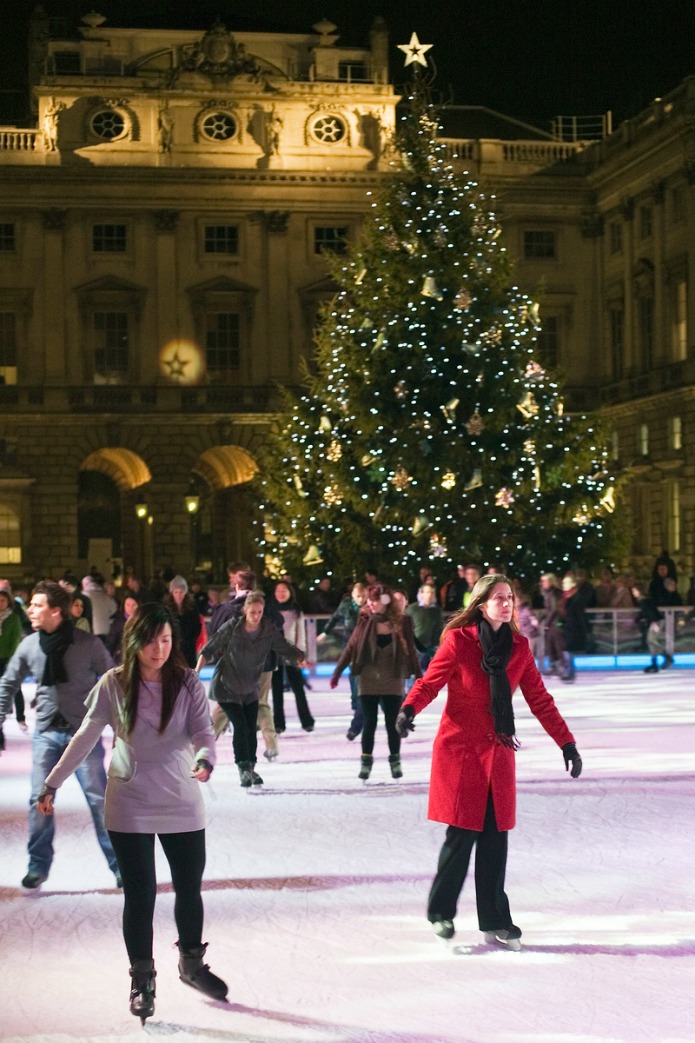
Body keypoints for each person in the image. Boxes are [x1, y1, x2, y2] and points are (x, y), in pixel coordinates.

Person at [37, 602, 227, 1022]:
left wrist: (205, 759)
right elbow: (85, 736)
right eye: (151, 641)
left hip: (180, 798)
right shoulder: (114, 683)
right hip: (131, 802)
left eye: (166, 640)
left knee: (189, 887)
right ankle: (142, 979)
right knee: (140, 895)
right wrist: (52, 782)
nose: (159, 649)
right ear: (134, 641)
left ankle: (192, 963)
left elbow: (203, 730)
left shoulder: (188, 682)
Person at [395, 574, 582, 946]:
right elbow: (430, 682)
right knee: (462, 835)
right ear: (481, 604)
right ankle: (441, 913)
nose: (506, 603)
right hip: (461, 750)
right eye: (498, 597)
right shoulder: (458, 641)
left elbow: (540, 699)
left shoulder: (519, 647)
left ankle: (495, 919)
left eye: (509, 596)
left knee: (496, 839)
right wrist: (408, 709)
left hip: (498, 753)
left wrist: (567, 743)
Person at [0, 581, 119, 890]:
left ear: (55, 611)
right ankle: (37, 866)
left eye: (36, 605)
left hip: (83, 736)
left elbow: (113, 682)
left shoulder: (87, 644)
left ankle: (121, 865)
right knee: (38, 800)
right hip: (47, 734)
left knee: (99, 801)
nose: (30, 610)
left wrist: (121, 727)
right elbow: (8, 683)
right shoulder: (30, 645)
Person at [196, 592, 305, 787]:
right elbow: (209, 649)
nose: (256, 616)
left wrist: (298, 656)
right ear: (245, 610)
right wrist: (196, 672)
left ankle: (251, 767)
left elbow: (283, 646)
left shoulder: (267, 629)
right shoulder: (232, 627)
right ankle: (243, 767)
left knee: (250, 728)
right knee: (240, 725)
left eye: (259, 612)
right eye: (252, 612)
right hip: (227, 686)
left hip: (250, 686)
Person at [330, 583, 420, 781]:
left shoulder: (402, 621)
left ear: (386, 600)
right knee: (369, 722)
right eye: (369, 600)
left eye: (375, 600)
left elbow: (411, 650)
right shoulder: (365, 620)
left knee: (392, 724)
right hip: (368, 678)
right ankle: (366, 762)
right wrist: (337, 672)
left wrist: (419, 677)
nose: (370, 603)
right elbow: (351, 647)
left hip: (393, 678)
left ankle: (395, 761)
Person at [317, 582, 367, 740]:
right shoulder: (345, 606)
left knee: (362, 680)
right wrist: (325, 632)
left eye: (363, 596)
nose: (361, 599)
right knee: (354, 676)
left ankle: (359, 709)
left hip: (368, 648)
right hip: (350, 646)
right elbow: (334, 618)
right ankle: (356, 703)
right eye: (358, 596)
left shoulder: (371, 607)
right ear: (352, 595)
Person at [269, 580, 315, 733]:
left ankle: (307, 721)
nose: (281, 594)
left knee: (298, 689)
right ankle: (278, 723)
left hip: (291, 655)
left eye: (284, 591)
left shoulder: (296, 612)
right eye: (278, 591)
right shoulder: (269, 610)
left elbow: (300, 635)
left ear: (290, 593)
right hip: (273, 655)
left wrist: (300, 655)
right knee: (276, 691)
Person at [0, 586, 26, 746]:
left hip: (8, 658)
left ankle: (20, 717)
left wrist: (11, 659)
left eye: (3, 600)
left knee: (14, 688)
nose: (0, 603)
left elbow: (15, 639)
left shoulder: (13, 618)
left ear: (8, 602)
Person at [163, 576, 201, 668]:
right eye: (176, 592)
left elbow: (197, 626)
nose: (178, 595)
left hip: (189, 647)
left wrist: (190, 641)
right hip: (172, 647)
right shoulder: (166, 608)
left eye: (181, 592)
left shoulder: (192, 607)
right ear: (172, 593)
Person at [406, 583, 444, 673]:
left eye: (431, 592)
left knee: (425, 672)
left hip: (429, 647)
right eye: (427, 592)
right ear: (421, 593)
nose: (429, 595)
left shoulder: (437, 610)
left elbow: (438, 629)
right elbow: (406, 626)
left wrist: (437, 646)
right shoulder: (412, 609)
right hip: (414, 645)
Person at [105, 592, 140, 664]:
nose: (130, 608)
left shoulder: (142, 620)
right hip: (121, 658)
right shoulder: (118, 622)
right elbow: (111, 642)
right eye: (128, 605)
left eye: (134, 605)